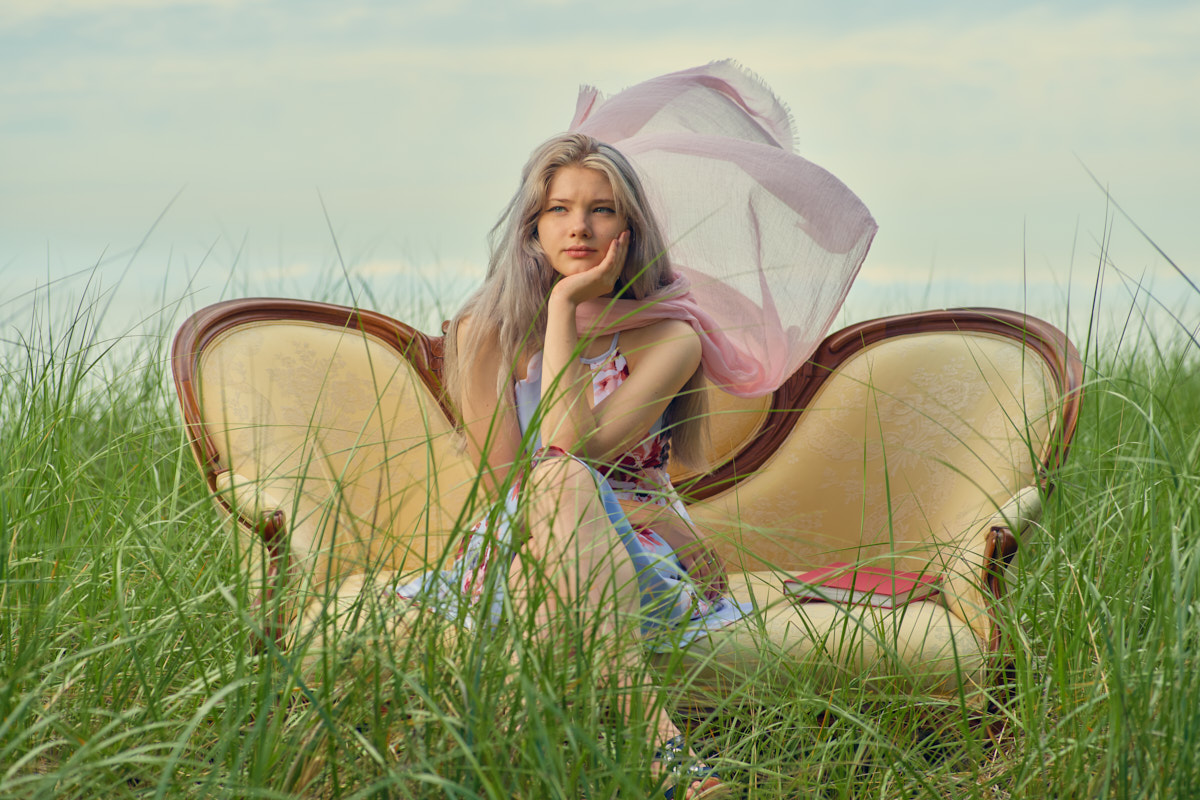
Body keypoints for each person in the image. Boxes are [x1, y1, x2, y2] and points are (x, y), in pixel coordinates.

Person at [396, 62, 877, 799]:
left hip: (639, 556)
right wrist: (562, 311)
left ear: (630, 228)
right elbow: (508, 482)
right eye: (559, 209)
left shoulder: (669, 336)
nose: (579, 227)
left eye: (602, 209)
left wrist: (564, 314)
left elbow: (571, 446)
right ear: (532, 228)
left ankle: (514, 767)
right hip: (517, 540)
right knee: (555, 497)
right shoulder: (486, 332)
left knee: (563, 481)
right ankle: (666, 758)